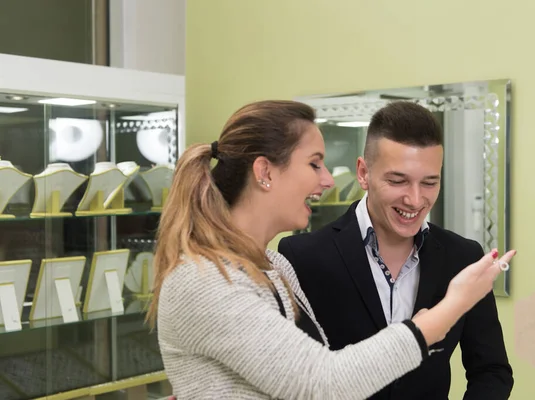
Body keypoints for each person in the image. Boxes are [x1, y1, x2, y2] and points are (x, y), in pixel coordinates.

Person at [147, 100, 516, 400]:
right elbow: (323, 383)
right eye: (314, 164)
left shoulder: (274, 266)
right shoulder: (203, 282)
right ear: (265, 172)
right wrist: (449, 308)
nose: (326, 180)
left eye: (429, 182)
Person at [278, 100, 514, 400]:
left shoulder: (462, 256)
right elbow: (297, 380)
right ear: (363, 173)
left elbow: (492, 371)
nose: (415, 201)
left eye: (429, 182)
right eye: (398, 181)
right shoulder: (301, 257)